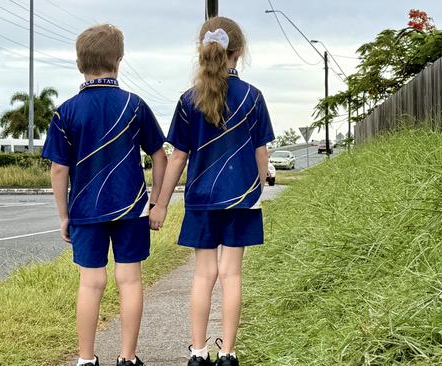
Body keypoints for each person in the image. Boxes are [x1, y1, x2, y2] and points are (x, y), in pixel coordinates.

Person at [149, 16, 275, 366]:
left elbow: (176, 159)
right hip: (242, 199)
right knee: (231, 274)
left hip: (201, 201)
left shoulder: (189, 100)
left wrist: (159, 204)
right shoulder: (253, 97)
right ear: (240, 52)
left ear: (201, 51)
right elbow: (261, 154)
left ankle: (198, 352)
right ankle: (229, 353)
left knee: (203, 275)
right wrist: (258, 185)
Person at [42, 24, 167, 366]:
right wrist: (156, 201)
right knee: (129, 280)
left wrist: (64, 214)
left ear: (79, 63)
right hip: (131, 208)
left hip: (84, 210)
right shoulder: (134, 106)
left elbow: (58, 169)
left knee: (91, 282)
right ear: (119, 60)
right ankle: (127, 358)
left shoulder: (65, 112)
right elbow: (160, 156)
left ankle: (85, 359)